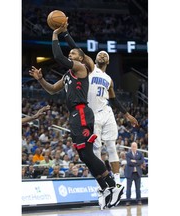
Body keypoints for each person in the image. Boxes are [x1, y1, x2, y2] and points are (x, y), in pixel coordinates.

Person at [29, 19, 124, 210]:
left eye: (72, 53)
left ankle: (114, 186)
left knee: (88, 153)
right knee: (84, 155)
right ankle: (105, 188)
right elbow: (52, 90)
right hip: (73, 115)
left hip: (82, 112)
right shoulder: (66, 76)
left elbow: (58, 56)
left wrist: (56, 34)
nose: (70, 54)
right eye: (70, 53)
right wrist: (40, 80)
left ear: (80, 59)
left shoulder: (81, 68)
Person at [60, 26, 138, 184]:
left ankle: (116, 181)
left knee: (111, 146)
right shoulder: (90, 69)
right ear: (95, 60)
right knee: (95, 150)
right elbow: (77, 49)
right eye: (99, 54)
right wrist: (66, 33)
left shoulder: (109, 79)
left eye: (105, 54)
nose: (102, 54)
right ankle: (103, 183)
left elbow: (114, 99)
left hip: (106, 112)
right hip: (91, 114)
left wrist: (127, 115)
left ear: (108, 60)